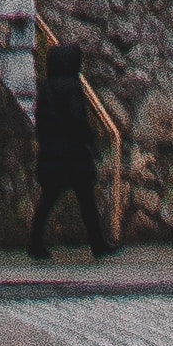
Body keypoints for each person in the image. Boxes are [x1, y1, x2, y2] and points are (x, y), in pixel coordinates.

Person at [26, 26, 118, 262]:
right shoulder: (72, 86)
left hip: (53, 155)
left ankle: (35, 241)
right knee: (87, 201)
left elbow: (42, 122)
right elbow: (79, 120)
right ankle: (98, 243)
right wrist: (89, 144)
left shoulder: (45, 87)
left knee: (48, 200)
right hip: (74, 156)